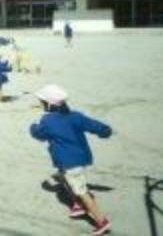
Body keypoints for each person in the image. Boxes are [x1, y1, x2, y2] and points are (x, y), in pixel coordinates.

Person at [30, 84, 112, 235]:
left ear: (48, 104)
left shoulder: (47, 121)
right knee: (63, 176)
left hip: (70, 162)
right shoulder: (75, 115)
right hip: (80, 157)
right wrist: (105, 131)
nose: (40, 104)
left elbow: (39, 134)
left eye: (41, 102)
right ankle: (78, 205)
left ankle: (102, 222)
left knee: (82, 191)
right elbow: (92, 125)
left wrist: (33, 128)